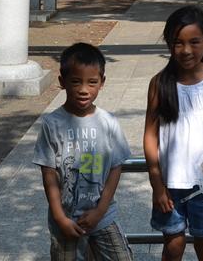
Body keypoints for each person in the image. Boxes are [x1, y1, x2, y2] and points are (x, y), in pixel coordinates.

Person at [143, 6, 203, 261]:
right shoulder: (160, 83)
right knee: (173, 244)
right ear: (169, 44)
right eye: (178, 43)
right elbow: (150, 135)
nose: (186, 50)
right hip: (170, 185)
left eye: (194, 42)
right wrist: (156, 184)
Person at [33, 43, 133, 261]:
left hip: (103, 216)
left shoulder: (108, 123)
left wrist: (100, 210)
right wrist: (59, 217)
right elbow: (48, 174)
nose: (83, 89)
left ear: (102, 83)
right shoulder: (52, 124)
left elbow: (116, 168)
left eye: (92, 82)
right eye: (76, 81)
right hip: (66, 220)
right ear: (62, 82)